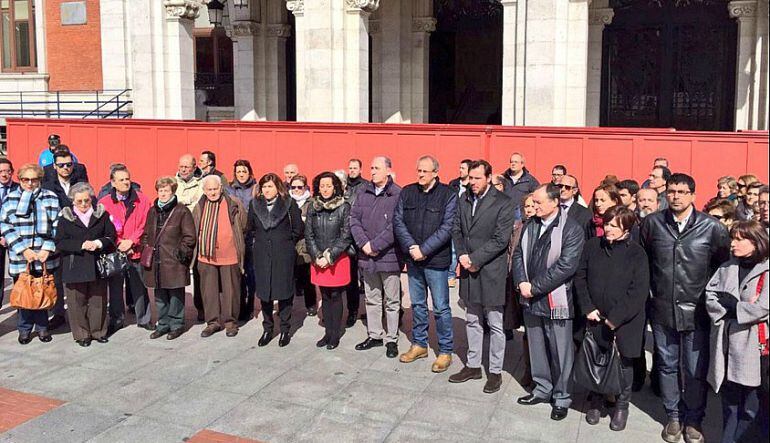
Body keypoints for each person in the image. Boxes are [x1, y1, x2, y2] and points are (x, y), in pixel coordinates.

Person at [640, 173, 731, 443]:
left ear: (693, 195)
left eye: (682, 192)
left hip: (697, 312)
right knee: (667, 365)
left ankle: (693, 420)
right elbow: (643, 261)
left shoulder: (712, 228)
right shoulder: (652, 223)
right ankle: (673, 416)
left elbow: (721, 267)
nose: (676, 196)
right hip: (662, 309)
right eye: (671, 191)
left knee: (694, 370)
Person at [512, 183, 585, 421]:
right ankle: (542, 388)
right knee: (537, 348)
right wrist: (522, 282)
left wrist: (534, 287)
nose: (534, 206)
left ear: (554, 202)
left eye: (539, 202)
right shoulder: (530, 224)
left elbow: (566, 266)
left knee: (561, 352)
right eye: (533, 201)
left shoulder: (571, 229)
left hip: (556, 301)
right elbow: (518, 254)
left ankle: (562, 397)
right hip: (530, 299)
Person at [574, 206, 650, 431]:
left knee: (624, 363)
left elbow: (638, 291)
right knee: (596, 358)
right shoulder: (592, 246)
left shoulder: (637, 253)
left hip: (626, 320)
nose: (608, 229)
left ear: (627, 229)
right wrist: (588, 307)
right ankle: (596, 400)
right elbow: (580, 277)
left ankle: (622, 406)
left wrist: (615, 318)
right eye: (607, 224)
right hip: (595, 316)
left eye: (615, 226)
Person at [448, 160, 515, 393]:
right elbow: (456, 229)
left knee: (495, 323)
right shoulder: (463, 198)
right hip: (468, 269)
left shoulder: (503, 202)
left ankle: (495, 371)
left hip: (490, 270)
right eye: (470, 178)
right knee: (472, 319)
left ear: (488, 178)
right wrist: (463, 256)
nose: (473, 182)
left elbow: (501, 239)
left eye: (477, 178)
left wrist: (475, 259)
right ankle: (473, 365)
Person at [706, 220, 769, 443]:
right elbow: (711, 295)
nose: (733, 243)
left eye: (740, 239)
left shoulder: (766, 271)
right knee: (730, 404)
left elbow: (763, 307)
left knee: (751, 406)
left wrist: (735, 308)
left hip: (753, 346)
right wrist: (726, 309)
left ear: (756, 242)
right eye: (733, 238)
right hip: (725, 343)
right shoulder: (727, 267)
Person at [394, 156, 457, 373]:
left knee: (440, 308)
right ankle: (419, 344)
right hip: (413, 260)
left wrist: (424, 249)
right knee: (418, 304)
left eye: (425, 171)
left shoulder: (448, 194)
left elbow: (448, 227)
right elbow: (398, 221)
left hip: (436, 262)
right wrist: (412, 246)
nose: (420, 174)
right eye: (418, 170)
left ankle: (445, 350)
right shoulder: (407, 192)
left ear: (435, 173)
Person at [0, 163, 60, 344]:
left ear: (40, 180)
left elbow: (57, 225)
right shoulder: (10, 199)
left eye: (34, 180)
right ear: (19, 180)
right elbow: (5, 226)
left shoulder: (50, 197)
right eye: (25, 179)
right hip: (21, 256)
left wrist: (47, 248)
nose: (30, 183)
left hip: (43, 255)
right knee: (24, 292)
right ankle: (24, 329)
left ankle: (42, 328)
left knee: (42, 291)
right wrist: (23, 249)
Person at [350, 156, 403, 358]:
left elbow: (396, 226)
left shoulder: (397, 194)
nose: (372, 171)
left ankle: (392, 339)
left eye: (377, 168)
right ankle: (375, 335)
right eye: (371, 168)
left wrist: (375, 245)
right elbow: (354, 219)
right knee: (371, 298)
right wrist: (364, 244)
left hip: (389, 256)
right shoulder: (363, 192)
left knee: (391, 301)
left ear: (388, 170)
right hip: (367, 256)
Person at [54, 183, 116, 347]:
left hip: (97, 264)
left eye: (86, 200)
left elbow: (111, 236)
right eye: (79, 201)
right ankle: (82, 335)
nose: (83, 204)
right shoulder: (65, 218)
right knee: (76, 302)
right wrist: (81, 245)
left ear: (91, 199)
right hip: (74, 265)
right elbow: (60, 242)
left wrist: (98, 243)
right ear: (73, 201)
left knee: (98, 300)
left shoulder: (101, 214)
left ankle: (98, 332)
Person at [249, 173, 304, 347]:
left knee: (284, 291)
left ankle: (285, 329)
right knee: (265, 292)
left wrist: (285, 242)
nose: (266, 190)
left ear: (278, 188)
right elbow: (250, 228)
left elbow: (298, 228)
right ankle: (268, 328)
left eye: (270, 186)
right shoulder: (254, 204)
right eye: (264, 186)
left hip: (283, 254)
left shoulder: (289, 203)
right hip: (262, 254)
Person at [98, 164, 153, 332]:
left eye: (127, 179)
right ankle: (116, 319)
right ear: (113, 183)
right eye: (121, 180)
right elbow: (103, 228)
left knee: (139, 286)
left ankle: (144, 319)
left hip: (136, 249)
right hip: (115, 251)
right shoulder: (104, 203)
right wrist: (120, 243)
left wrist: (132, 241)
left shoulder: (143, 200)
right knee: (115, 288)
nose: (125, 182)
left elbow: (146, 224)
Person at [141, 177, 196, 340]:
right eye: (160, 190)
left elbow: (190, 237)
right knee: (160, 295)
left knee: (175, 295)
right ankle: (163, 324)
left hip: (174, 261)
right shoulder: (153, 211)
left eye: (166, 190)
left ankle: (176, 324)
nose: (163, 193)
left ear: (173, 192)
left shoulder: (181, 211)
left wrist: (180, 253)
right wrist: (146, 245)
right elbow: (146, 233)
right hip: (156, 261)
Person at [193, 175, 247, 338]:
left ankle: (231, 323)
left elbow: (244, 224)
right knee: (209, 291)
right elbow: (194, 227)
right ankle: (213, 322)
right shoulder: (199, 205)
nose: (212, 192)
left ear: (221, 188)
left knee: (231, 291)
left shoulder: (233, 203)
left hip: (230, 254)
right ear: (204, 190)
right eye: (209, 189)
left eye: (215, 189)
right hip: (206, 256)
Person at [305, 172, 353, 350]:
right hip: (318, 259)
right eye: (322, 186)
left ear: (335, 187)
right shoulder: (313, 207)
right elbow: (308, 234)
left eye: (329, 186)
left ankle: (335, 334)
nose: (325, 189)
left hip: (337, 259)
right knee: (324, 295)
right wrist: (317, 255)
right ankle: (327, 332)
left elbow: (346, 235)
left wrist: (330, 256)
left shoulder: (344, 207)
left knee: (335, 295)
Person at [227, 160, 258, 321]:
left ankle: (250, 303)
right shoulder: (229, 189)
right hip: (235, 234)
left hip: (251, 234)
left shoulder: (256, 188)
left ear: (249, 172)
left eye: (244, 171)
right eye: (238, 171)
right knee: (237, 271)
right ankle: (239, 304)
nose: (241, 174)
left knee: (250, 271)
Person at [175, 153, 204, 321]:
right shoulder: (173, 183)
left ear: (194, 167)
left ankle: (201, 308)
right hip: (177, 234)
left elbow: (200, 204)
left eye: (187, 166)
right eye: (181, 166)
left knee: (199, 273)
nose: (183, 169)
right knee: (178, 272)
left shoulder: (202, 183)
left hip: (197, 232)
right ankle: (177, 313)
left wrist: (182, 202)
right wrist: (188, 202)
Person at [289, 175, 316, 316]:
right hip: (290, 244)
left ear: (305, 187)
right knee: (289, 278)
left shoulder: (312, 202)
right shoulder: (286, 202)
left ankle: (311, 305)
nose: (296, 190)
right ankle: (287, 306)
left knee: (307, 278)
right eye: (293, 187)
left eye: (299, 187)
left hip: (305, 245)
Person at [448, 159, 473, 288]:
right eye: (460, 168)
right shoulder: (453, 184)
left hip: (467, 220)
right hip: (454, 219)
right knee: (453, 249)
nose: (460, 170)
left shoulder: (472, 185)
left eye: (463, 168)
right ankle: (451, 275)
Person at [0, 158, 19, 307]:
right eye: (1, 171)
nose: (4, 174)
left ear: (12, 172)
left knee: (19, 275)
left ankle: (21, 306)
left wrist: (10, 236)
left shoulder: (20, 189)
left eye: (7, 171)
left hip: (17, 238)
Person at [501, 152, 540, 221]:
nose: (513, 164)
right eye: (511, 162)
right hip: (504, 218)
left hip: (522, 219)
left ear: (522, 164)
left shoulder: (530, 180)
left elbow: (538, 198)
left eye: (516, 162)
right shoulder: (503, 178)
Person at [556, 175, 593, 239]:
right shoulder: (550, 208)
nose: (563, 189)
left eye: (567, 187)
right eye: (560, 186)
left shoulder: (585, 213)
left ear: (575, 191)